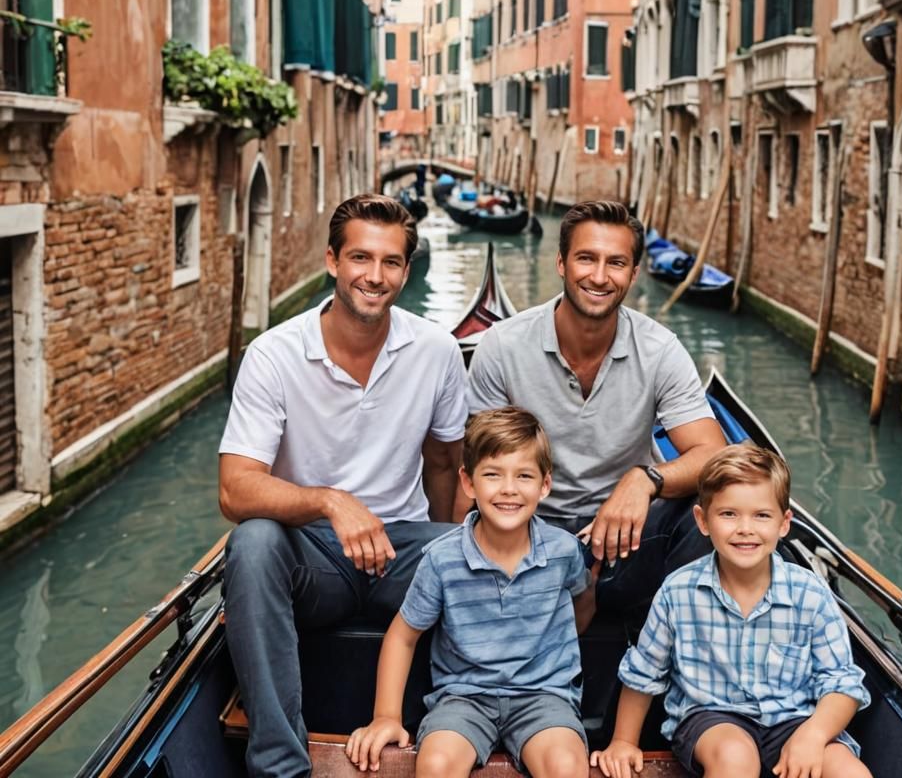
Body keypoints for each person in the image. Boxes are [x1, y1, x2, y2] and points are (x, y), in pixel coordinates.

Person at [219, 193, 467, 778]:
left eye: (390, 262)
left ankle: (463, 732)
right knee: (253, 543)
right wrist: (330, 503)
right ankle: (280, 767)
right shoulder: (273, 355)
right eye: (361, 258)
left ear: (405, 270)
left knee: (489, 548)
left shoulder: (437, 351)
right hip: (315, 555)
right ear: (332, 260)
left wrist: (452, 554)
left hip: (402, 548)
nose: (374, 276)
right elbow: (234, 490)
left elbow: (443, 463)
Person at [466, 200, 726, 618]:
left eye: (616, 263)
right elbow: (483, 469)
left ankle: (676, 636)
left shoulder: (660, 350)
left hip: (628, 532)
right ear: (561, 263)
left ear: (634, 274)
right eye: (586, 258)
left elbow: (714, 455)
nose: (600, 277)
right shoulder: (502, 347)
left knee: (711, 513)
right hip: (529, 530)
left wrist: (644, 480)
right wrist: (566, 560)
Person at [590, 445, 872, 778]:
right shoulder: (678, 591)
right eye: (729, 514)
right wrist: (623, 742)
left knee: (851, 772)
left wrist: (813, 735)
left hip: (795, 720)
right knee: (735, 756)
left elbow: (842, 682)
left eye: (761, 515)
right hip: (712, 719)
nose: (745, 528)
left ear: (784, 524)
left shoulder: (810, 592)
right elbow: (644, 673)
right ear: (703, 521)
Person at [345, 407, 596, 778]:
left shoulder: (563, 551)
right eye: (492, 474)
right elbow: (402, 636)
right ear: (468, 482)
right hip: (463, 699)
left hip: (543, 697)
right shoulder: (442, 559)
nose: (508, 488)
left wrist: (554, 648)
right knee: (436, 765)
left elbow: (583, 600)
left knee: (565, 766)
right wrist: (386, 717)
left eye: (524, 475)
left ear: (544, 485)